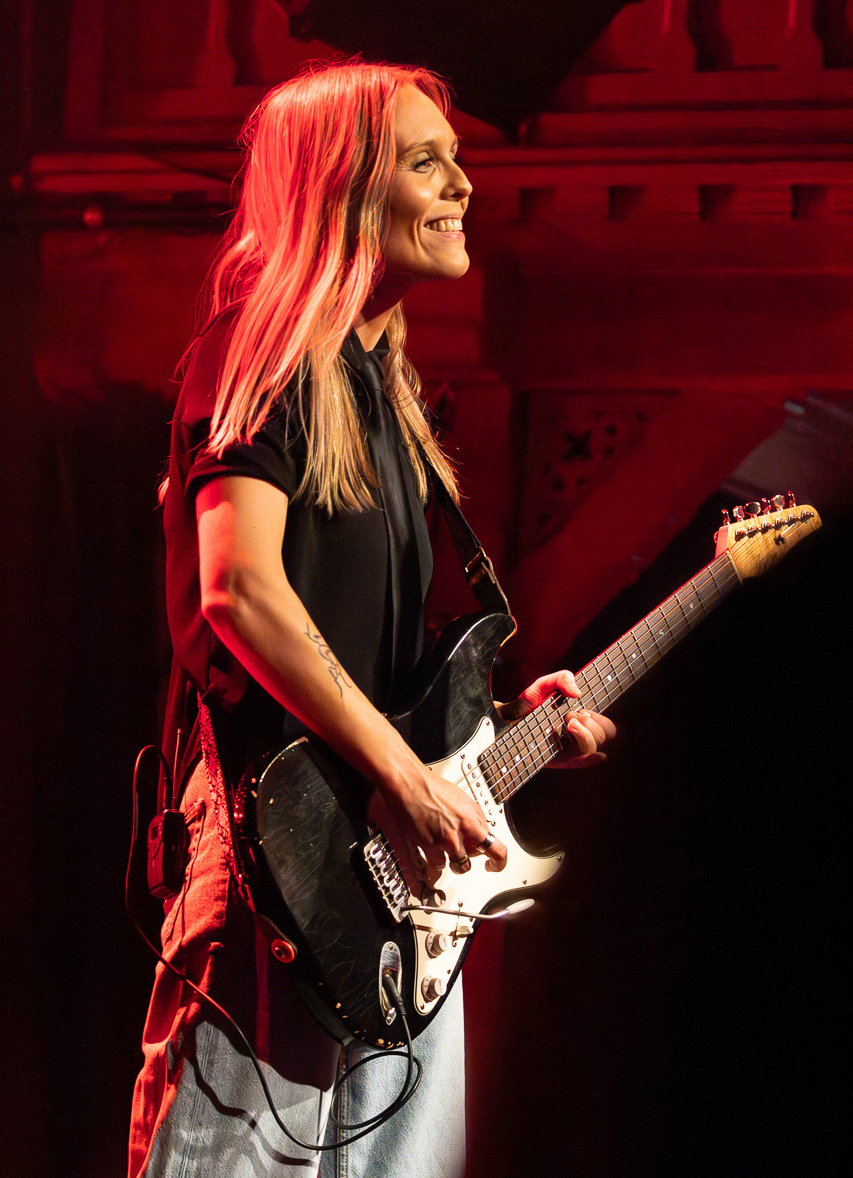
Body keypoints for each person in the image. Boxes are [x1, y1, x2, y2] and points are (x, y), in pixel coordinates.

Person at [128, 59, 616, 1178]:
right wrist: (403, 770)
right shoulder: (255, 355)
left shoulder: (383, 394)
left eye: (457, 162)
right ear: (342, 190)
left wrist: (494, 728)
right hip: (273, 865)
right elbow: (237, 588)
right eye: (424, 161)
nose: (463, 188)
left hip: (390, 887)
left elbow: (369, 661)